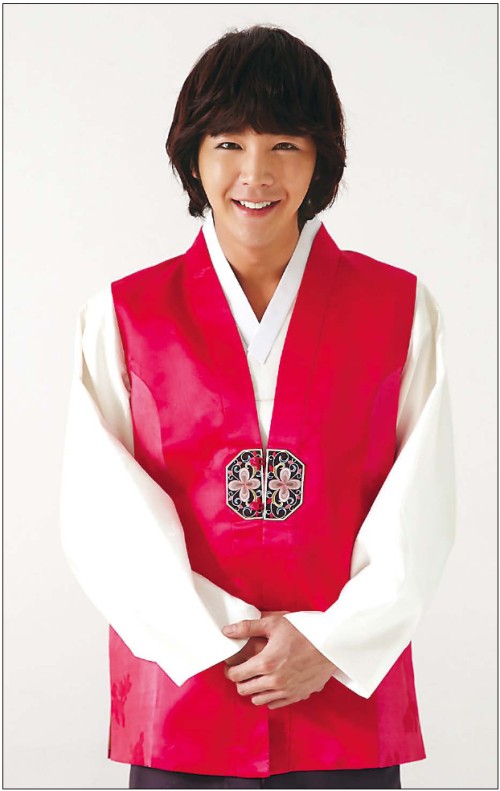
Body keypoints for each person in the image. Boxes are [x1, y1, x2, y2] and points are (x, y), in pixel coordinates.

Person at [60, 24, 456, 791]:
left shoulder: (400, 310)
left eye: (283, 145)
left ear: (319, 160)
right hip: (186, 700)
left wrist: (329, 642)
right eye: (228, 143)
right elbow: (102, 515)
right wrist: (218, 636)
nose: (255, 172)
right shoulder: (124, 316)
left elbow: (422, 507)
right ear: (193, 158)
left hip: (342, 703)